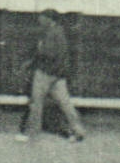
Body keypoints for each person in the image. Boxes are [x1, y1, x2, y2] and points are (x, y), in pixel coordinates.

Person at [17, 9, 87, 142]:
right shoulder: (60, 32)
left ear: (50, 19)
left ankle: (31, 133)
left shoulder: (51, 33)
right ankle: (78, 131)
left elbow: (48, 53)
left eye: (42, 17)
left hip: (45, 72)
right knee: (65, 103)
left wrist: (37, 51)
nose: (40, 20)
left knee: (36, 102)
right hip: (58, 74)